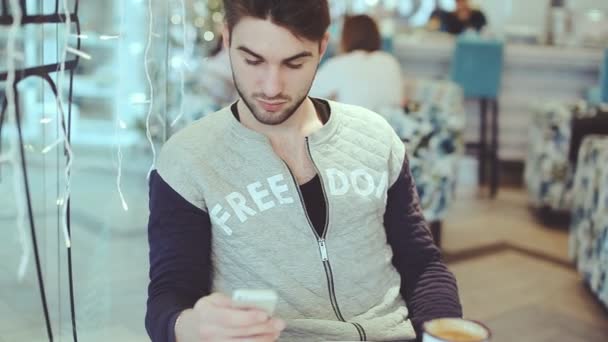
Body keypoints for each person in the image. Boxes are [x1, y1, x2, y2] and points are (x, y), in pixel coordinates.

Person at [145, 1, 462, 341]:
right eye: (252, 61)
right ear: (226, 40)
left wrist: (437, 335)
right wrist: (188, 326)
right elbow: (169, 295)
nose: (271, 87)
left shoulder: (375, 138)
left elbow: (424, 266)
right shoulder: (188, 159)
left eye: (294, 63)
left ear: (323, 47)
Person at [310, 14, 403, 111]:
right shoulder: (390, 62)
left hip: (355, 124)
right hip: (390, 124)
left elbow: (308, 94)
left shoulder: (340, 64)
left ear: (346, 37)